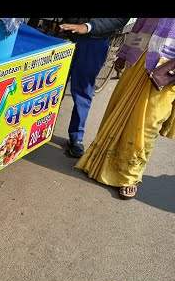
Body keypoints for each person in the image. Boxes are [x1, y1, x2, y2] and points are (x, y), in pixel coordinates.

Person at [75, 18, 175, 199]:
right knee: (118, 110)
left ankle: (130, 176)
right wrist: (124, 53)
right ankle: (100, 163)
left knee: (148, 123)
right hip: (139, 59)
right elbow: (140, 23)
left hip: (167, 69)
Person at [59, 18, 130, 157]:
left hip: (94, 41)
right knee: (52, 86)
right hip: (65, 34)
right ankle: (40, 129)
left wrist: (88, 27)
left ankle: (76, 135)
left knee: (82, 91)